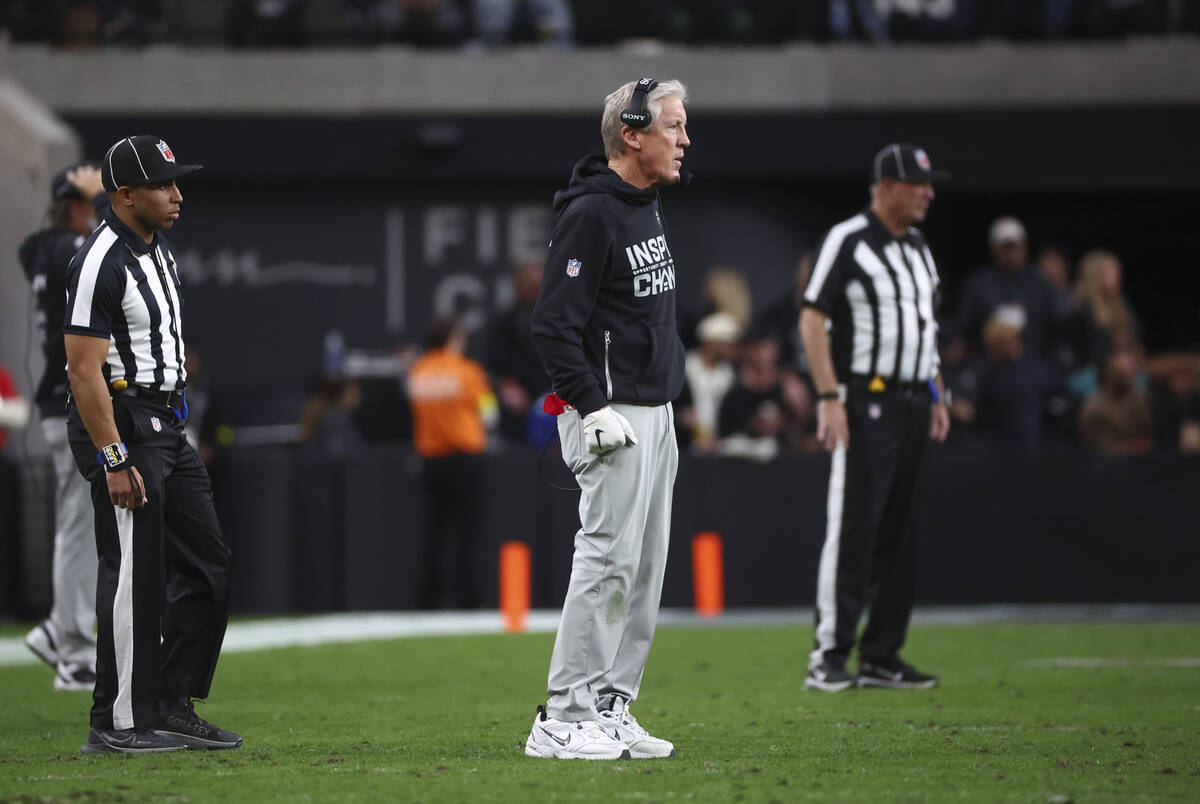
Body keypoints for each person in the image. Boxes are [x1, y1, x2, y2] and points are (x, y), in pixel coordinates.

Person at [526, 77, 689, 761]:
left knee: (644, 568)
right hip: (612, 411)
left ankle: (611, 704)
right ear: (631, 132)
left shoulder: (643, 204)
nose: (684, 140)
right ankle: (563, 715)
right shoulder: (594, 212)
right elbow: (552, 325)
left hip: (654, 408)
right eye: (673, 126)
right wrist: (591, 407)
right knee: (606, 561)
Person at [63, 135, 239, 754]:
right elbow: (83, 371)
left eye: (176, 181)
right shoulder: (99, 260)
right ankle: (115, 722)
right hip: (125, 423)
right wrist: (113, 457)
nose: (176, 194)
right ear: (125, 194)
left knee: (208, 567)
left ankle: (169, 704)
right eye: (163, 184)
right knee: (134, 575)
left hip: (166, 423)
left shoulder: (157, 247)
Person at [799, 143, 950, 692]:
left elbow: (924, 326)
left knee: (901, 533)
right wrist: (828, 396)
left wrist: (936, 391)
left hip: (913, 400)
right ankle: (830, 655)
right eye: (917, 183)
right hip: (866, 399)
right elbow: (812, 318)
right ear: (885, 186)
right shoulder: (849, 238)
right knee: (855, 528)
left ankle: (883, 654)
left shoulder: (919, 248)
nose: (928, 193)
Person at [19, 162, 108, 691]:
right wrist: (101, 200)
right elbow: (107, 254)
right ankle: (71, 647)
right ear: (77, 205)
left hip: (58, 401)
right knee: (78, 526)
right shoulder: (67, 249)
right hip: (69, 401)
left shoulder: (43, 250)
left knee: (80, 524)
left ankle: (60, 629)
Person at [406, 316, 496, 609]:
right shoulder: (468, 372)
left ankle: (428, 599)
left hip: (431, 462)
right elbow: (490, 415)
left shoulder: (418, 372)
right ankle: (468, 599)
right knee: (467, 532)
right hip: (465, 460)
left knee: (434, 531)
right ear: (454, 339)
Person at [947, 215, 1062, 365]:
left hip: (1034, 364)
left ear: (1025, 247)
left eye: (1016, 247)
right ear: (995, 249)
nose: (1012, 254)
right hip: (989, 366)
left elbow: (1056, 326)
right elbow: (964, 329)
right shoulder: (979, 284)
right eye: (1006, 248)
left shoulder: (1039, 283)